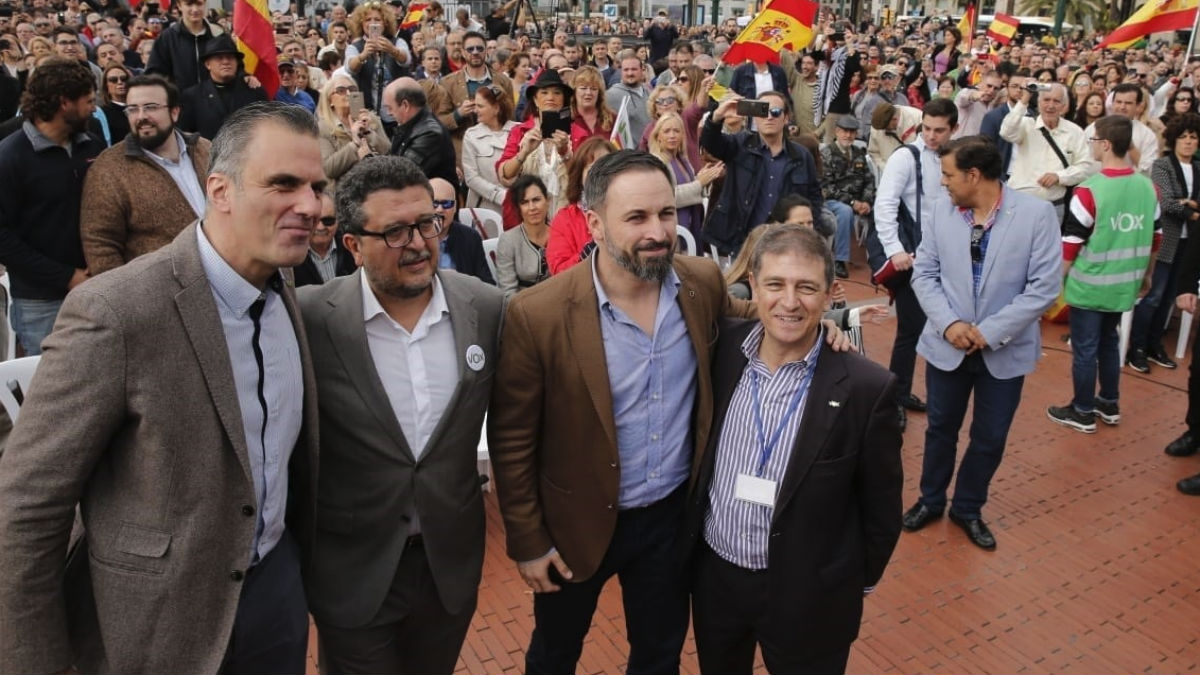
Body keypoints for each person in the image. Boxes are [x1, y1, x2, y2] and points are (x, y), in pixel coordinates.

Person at [0, 102, 322, 674]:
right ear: (219, 191)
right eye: (283, 184)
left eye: (317, 187)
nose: (310, 205)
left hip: (275, 593)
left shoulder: (284, 281)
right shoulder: (116, 311)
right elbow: (26, 508)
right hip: (157, 626)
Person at [487, 150, 754, 675]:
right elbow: (513, 440)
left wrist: (825, 324)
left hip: (670, 522)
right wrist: (528, 541)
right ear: (594, 223)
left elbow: (766, 321)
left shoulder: (701, 283)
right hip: (574, 525)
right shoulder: (537, 314)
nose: (659, 232)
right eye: (636, 218)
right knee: (555, 653)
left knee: (659, 655)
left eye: (667, 214)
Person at [298, 156, 502, 674]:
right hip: (353, 571)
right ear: (353, 245)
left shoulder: (485, 308)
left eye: (427, 223)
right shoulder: (308, 320)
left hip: (447, 568)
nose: (417, 242)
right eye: (393, 231)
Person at [685, 223, 903, 674]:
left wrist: (850, 583)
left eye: (806, 287)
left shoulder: (866, 388)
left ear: (829, 294)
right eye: (775, 285)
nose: (788, 302)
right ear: (755, 289)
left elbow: (881, 508)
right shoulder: (720, 350)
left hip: (810, 594)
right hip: (717, 581)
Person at [904, 136, 1062, 551]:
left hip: (1004, 351)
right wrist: (949, 323)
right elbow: (925, 275)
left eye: (949, 175)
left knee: (990, 437)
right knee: (940, 430)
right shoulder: (941, 211)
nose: (944, 184)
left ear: (974, 175)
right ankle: (931, 500)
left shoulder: (1036, 215)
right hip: (947, 346)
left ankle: (968, 508)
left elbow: (1044, 288)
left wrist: (989, 332)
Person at [1049, 115, 1162, 434]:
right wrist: (1147, 275)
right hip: (1125, 283)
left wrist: (1055, 283)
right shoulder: (1147, 187)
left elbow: (1071, 245)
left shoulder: (1090, 190)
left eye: (1094, 140)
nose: (1091, 145)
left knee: (1084, 348)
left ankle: (1083, 410)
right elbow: (1156, 237)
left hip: (1090, 284)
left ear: (1106, 144)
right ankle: (1109, 402)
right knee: (1109, 342)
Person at [0, 57, 100, 355]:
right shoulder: (9, 159)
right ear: (63, 102)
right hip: (40, 303)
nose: (94, 108)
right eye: (88, 101)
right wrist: (67, 277)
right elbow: (2, 239)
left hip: (96, 287)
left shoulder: (92, 146)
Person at [873, 97, 959, 431]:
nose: (932, 136)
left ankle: (905, 391)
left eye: (940, 130)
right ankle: (895, 397)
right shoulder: (905, 157)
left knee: (934, 327)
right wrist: (894, 249)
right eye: (927, 128)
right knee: (910, 330)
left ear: (953, 128)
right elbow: (885, 205)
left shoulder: (954, 157)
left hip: (943, 256)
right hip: (912, 258)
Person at [80, 74, 209, 276]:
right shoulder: (109, 168)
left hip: (224, 281)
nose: (141, 116)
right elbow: (100, 243)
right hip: (160, 294)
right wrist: (124, 298)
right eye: (132, 109)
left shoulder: (205, 150)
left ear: (174, 112)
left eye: (151, 107)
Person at [700, 90, 823, 255]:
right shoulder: (740, 145)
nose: (769, 117)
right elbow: (710, 143)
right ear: (755, 116)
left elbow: (814, 196)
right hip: (741, 242)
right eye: (763, 111)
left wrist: (806, 227)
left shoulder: (801, 156)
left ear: (786, 118)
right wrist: (717, 116)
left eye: (776, 112)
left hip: (785, 243)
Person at [1128, 113, 1200, 373]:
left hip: (1190, 244)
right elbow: (1167, 202)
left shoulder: (1199, 168)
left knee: (1170, 297)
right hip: (1165, 240)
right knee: (1154, 295)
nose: (1189, 142)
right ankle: (1136, 347)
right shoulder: (1162, 166)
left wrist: (1187, 204)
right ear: (1174, 140)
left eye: (1193, 137)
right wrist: (1191, 209)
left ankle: (1154, 345)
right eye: (1183, 137)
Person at [1000, 82, 1090, 220]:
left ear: (1064, 106)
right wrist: (1024, 100)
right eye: (1046, 100)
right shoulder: (1026, 124)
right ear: (1038, 102)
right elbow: (1006, 132)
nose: (1051, 106)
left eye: (1056, 101)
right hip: (1020, 201)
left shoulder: (1075, 131)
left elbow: (1085, 167)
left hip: (1053, 205)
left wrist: (1060, 176)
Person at [496, 68, 573, 225]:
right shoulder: (520, 131)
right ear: (536, 99)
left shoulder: (577, 133)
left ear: (564, 99)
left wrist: (565, 153)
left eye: (557, 93)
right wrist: (524, 152)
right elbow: (505, 174)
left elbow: (582, 178)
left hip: (565, 219)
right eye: (544, 92)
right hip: (525, 218)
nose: (551, 97)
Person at [648, 111, 722, 242]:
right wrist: (698, 183)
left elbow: (691, 187)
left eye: (676, 131)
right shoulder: (656, 162)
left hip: (692, 224)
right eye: (667, 131)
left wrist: (705, 179)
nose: (672, 135)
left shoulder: (683, 160)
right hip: (673, 232)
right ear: (658, 136)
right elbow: (666, 198)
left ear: (682, 135)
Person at [178, 34, 268, 140]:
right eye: (219, 58)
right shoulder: (192, 96)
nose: (225, 62)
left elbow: (267, 128)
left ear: (237, 62)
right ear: (208, 64)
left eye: (230, 57)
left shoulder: (254, 92)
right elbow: (186, 134)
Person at [546, 136, 614, 275]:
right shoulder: (565, 219)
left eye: (606, 167)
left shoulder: (630, 210)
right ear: (580, 175)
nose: (599, 175)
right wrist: (592, 250)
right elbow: (559, 271)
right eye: (592, 169)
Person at [436, 31, 514, 151]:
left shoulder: (503, 81)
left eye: (479, 48)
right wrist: (459, 114)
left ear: (486, 51)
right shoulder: (447, 83)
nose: (475, 52)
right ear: (463, 52)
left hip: (497, 148)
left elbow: (511, 118)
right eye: (470, 49)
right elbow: (438, 122)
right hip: (462, 149)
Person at [344, 0, 411, 132]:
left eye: (377, 19)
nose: (372, 23)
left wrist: (392, 50)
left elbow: (406, 60)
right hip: (368, 113)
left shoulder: (397, 42)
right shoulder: (355, 47)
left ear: (385, 23)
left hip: (396, 113)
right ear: (361, 24)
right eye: (368, 19)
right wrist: (363, 55)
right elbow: (350, 68)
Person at [821, 115, 874, 279]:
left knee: (883, 209)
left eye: (852, 132)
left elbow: (869, 180)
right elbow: (826, 187)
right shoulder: (827, 154)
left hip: (859, 201)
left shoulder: (859, 153)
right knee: (845, 212)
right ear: (837, 131)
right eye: (844, 132)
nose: (848, 136)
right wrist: (852, 202)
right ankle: (839, 260)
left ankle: (878, 257)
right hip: (834, 201)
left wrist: (866, 201)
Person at [317, 75, 390, 192]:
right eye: (341, 91)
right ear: (330, 100)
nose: (348, 93)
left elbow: (387, 151)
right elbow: (328, 169)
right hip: (344, 192)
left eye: (352, 89)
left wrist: (368, 132)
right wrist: (354, 144)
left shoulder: (372, 119)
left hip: (376, 187)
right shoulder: (323, 128)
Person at [384, 77, 458, 189]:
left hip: (435, 203)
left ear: (405, 105)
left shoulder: (430, 133)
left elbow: (401, 177)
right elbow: (390, 160)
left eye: (390, 108)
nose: (388, 113)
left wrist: (366, 156)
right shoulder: (408, 125)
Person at [143, 0, 224, 89]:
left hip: (216, 100)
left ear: (205, 4)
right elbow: (155, 75)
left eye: (199, 4)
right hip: (179, 100)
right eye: (189, 4)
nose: (195, 9)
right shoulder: (167, 38)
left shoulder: (218, 35)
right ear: (179, 5)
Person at [462, 82, 517, 213]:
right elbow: (471, 178)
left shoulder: (519, 130)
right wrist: (500, 196)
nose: (475, 110)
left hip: (517, 207)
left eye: (480, 106)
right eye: (475, 105)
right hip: (485, 209)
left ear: (496, 108)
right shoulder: (471, 136)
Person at [430, 176, 496, 284]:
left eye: (446, 204)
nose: (440, 210)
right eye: (434, 203)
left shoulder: (470, 238)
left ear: (455, 207)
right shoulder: (414, 238)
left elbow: (487, 283)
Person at [1085, 83, 1159, 176]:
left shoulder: (1146, 135)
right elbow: (1084, 162)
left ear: (1138, 106)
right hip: (1096, 183)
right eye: (1118, 102)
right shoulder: (1094, 128)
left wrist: (1131, 147)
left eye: (1128, 103)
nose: (1122, 107)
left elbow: (1150, 171)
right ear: (1112, 103)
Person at [495, 174, 550, 296]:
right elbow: (507, 292)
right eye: (524, 202)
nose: (532, 207)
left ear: (547, 201)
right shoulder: (508, 241)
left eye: (536, 200)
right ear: (518, 208)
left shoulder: (560, 235)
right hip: (522, 307)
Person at [293, 190, 356, 286]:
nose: (320, 227)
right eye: (313, 220)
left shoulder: (353, 247)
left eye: (328, 221)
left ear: (338, 219)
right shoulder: (291, 256)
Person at [605, 49, 651, 143]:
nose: (630, 73)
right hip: (629, 154)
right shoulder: (611, 95)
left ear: (642, 70)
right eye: (626, 70)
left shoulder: (650, 92)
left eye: (634, 69)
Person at [569, 65, 615, 149]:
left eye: (594, 89)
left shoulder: (612, 118)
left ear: (599, 92)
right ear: (574, 91)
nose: (588, 92)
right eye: (583, 88)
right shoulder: (566, 119)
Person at [953, 70, 1000, 138]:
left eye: (996, 88)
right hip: (960, 145)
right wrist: (974, 96)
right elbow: (964, 98)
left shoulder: (993, 105)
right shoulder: (966, 92)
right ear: (981, 82)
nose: (991, 90)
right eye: (989, 86)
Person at [98, 63, 131, 141]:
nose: (120, 82)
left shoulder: (138, 107)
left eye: (124, 78)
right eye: (113, 80)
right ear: (106, 86)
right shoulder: (102, 113)